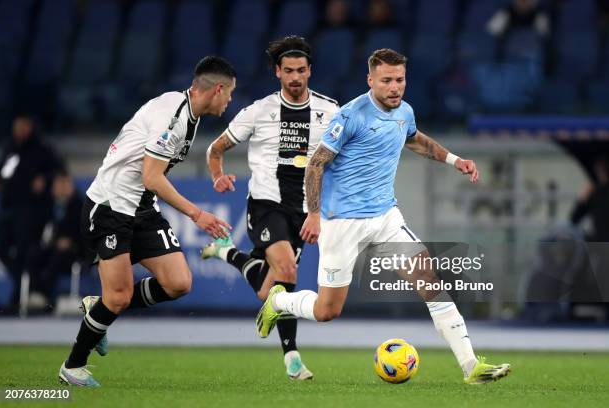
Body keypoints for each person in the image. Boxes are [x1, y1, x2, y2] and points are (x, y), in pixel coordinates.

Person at [256, 49, 511, 385]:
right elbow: (316, 164)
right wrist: (314, 215)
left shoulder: (404, 111)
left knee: (430, 283)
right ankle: (281, 299)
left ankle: (471, 366)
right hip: (342, 222)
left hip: (385, 216)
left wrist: (454, 160)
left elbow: (415, 140)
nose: (395, 87)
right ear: (370, 81)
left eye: (400, 79)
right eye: (387, 80)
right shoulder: (351, 116)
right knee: (326, 311)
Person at [58, 56, 236, 387]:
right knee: (120, 296)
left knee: (178, 282)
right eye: (230, 94)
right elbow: (152, 176)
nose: (230, 102)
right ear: (218, 89)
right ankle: (73, 365)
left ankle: (99, 308)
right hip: (110, 206)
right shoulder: (173, 117)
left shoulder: (188, 113)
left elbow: (149, 182)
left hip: (141, 208)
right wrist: (197, 214)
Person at [203, 36, 339, 380]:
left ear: (310, 71)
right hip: (266, 204)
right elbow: (215, 149)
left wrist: (320, 210)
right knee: (287, 274)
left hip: (304, 211)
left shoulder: (330, 111)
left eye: (301, 70)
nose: (295, 77)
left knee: (270, 290)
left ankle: (228, 254)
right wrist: (217, 176)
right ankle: (292, 357)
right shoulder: (258, 111)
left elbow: (342, 160)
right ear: (278, 72)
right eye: (288, 71)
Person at [0, 114, 62, 310]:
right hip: (8, 207)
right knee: (1, 246)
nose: (20, 130)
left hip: (31, 211)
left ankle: (23, 294)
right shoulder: (10, 148)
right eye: (17, 126)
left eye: (24, 126)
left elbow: (58, 172)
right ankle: (25, 287)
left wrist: (45, 179)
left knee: (27, 252)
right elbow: (2, 171)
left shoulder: (43, 150)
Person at [26, 169, 84, 307]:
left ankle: (44, 294)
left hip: (75, 250)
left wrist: (70, 242)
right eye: (57, 185)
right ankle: (33, 292)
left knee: (57, 256)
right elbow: (41, 229)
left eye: (63, 184)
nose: (60, 188)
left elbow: (84, 232)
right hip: (53, 246)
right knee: (34, 253)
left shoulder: (79, 205)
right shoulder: (49, 205)